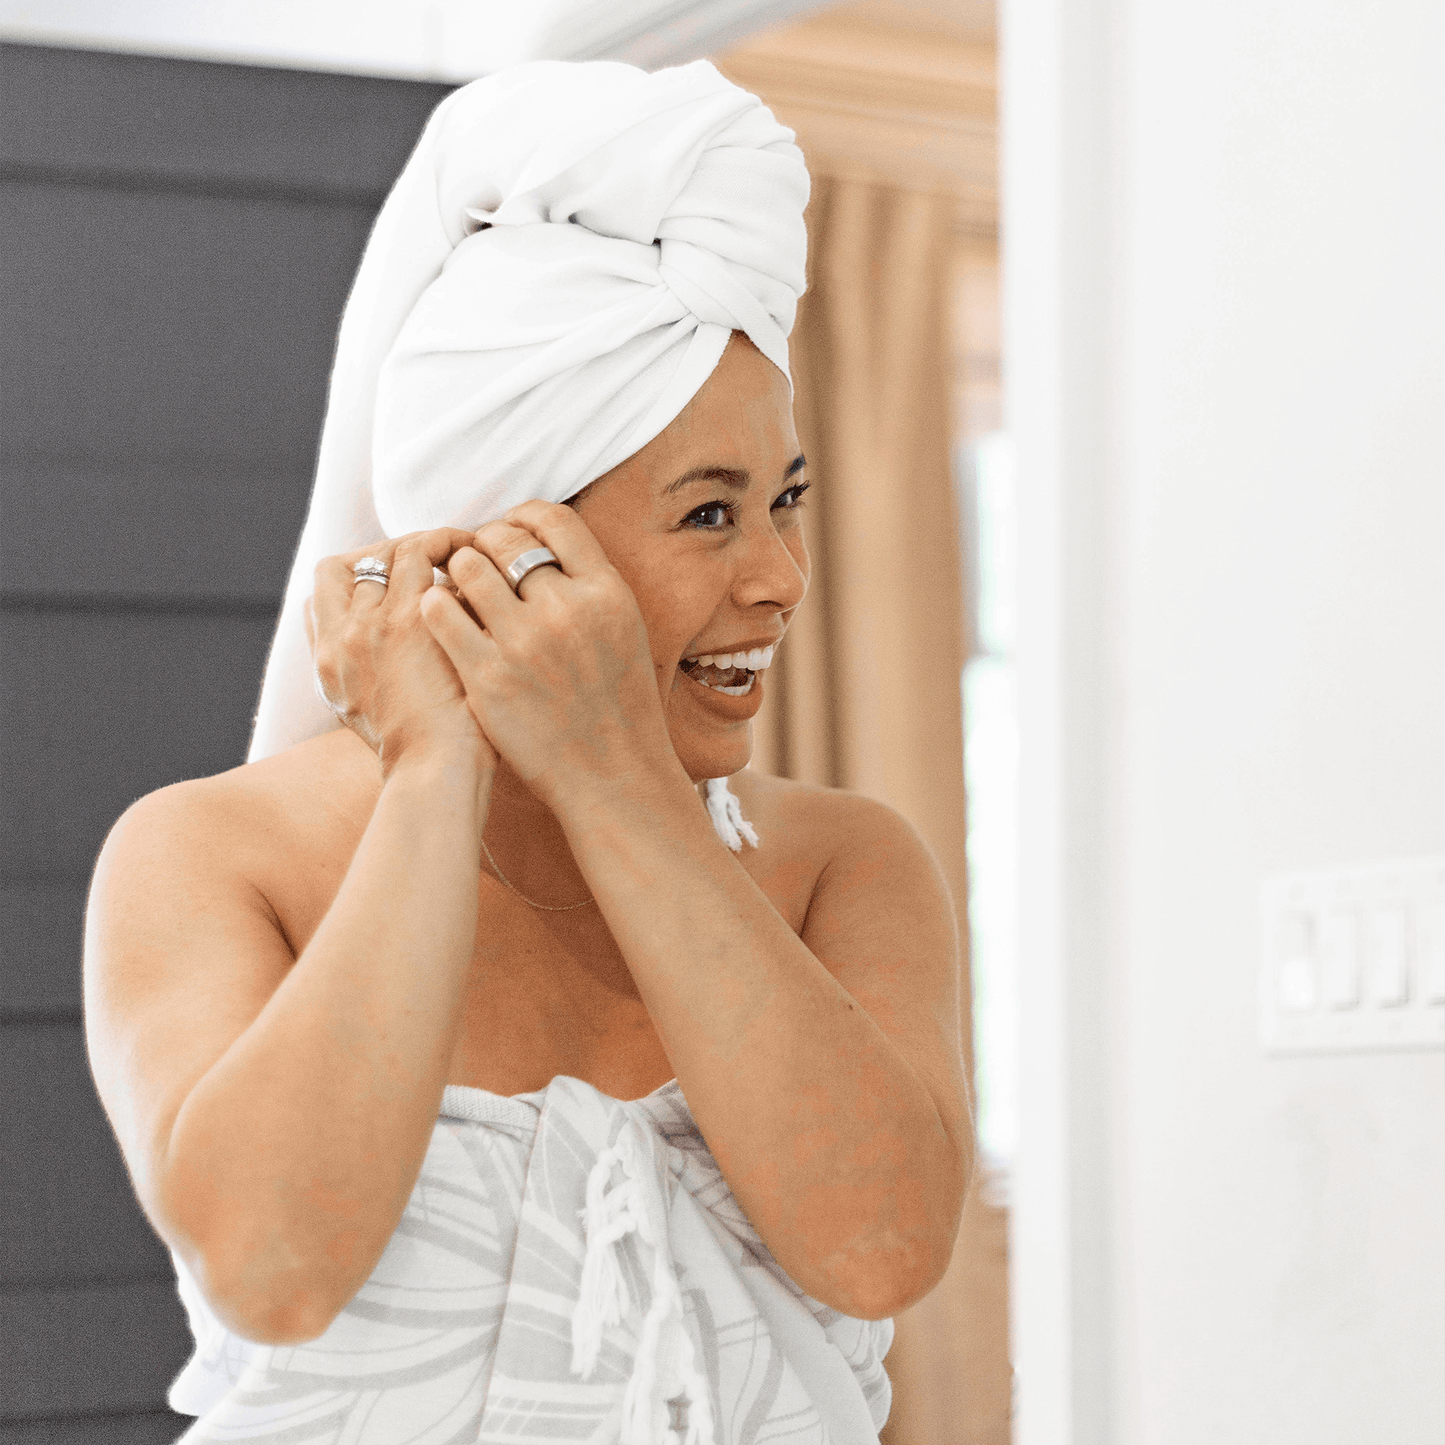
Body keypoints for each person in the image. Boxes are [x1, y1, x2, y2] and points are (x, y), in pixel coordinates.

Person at [83, 56, 971, 1444]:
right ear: (501, 542)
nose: (784, 577)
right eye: (709, 515)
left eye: (784, 500)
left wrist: (614, 777)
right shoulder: (211, 856)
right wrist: (436, 767)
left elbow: (881, 1249)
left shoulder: (842, 868)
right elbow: (271, 1268)